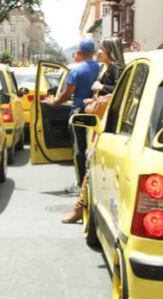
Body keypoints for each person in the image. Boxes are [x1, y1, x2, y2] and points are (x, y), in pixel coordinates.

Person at [62, 38, 126, 224]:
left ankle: (81, 208)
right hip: (102, 120)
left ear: (110, 51)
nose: (98, 52)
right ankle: (82, 207)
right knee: (92, 162)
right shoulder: (105, 68)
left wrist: (101, 87)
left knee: (90, 162)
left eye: (102, 49)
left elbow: (120, 92)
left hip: (108, 123)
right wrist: (94, 100)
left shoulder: (117, 69)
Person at [42, 38, 100, 190]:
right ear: (93, 53)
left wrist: (53, 103)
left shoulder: (76, 71)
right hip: (98, 112)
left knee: (79, 149)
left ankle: (81, 183)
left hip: (79, 113)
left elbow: (67, 95)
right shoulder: (101, 68)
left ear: (80, 53)